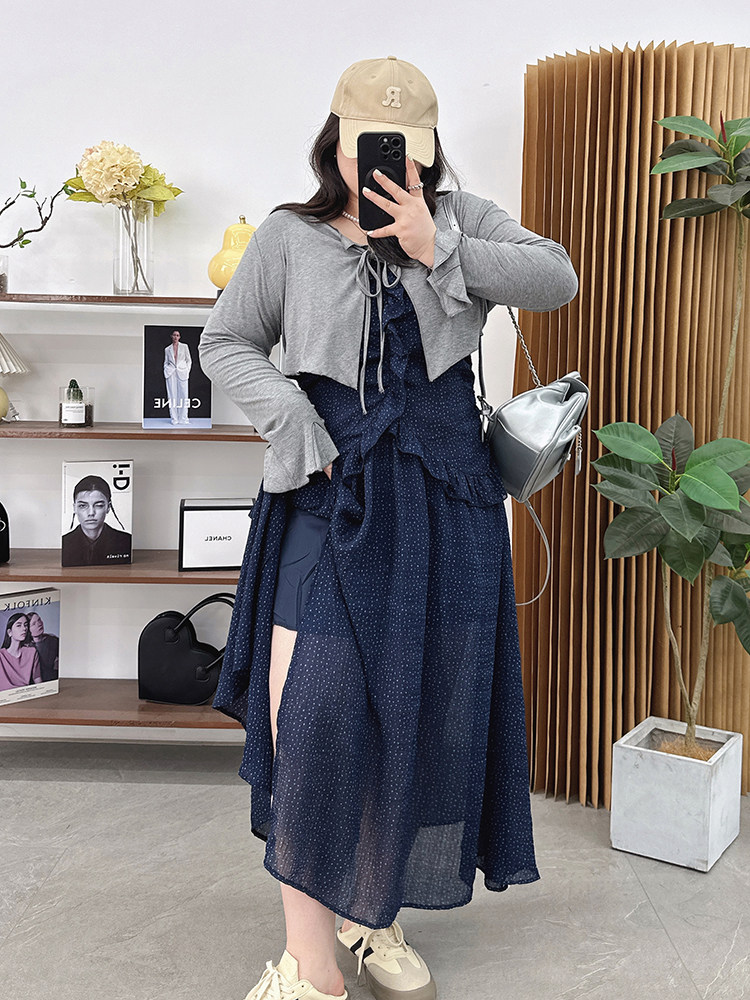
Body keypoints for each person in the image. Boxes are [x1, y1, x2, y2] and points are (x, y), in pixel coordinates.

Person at [199, 55, 578, 1000]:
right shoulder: (288, 237)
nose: (386, 159)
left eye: (407, 145)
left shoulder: (462, 219)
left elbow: (556, 278)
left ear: (430, 146)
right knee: (312, 720)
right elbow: (226, 342)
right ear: (335, 139)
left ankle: (373, 916)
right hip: (331, 498)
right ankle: (309, 966)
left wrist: (436, 245)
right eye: (370, 141)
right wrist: (300, 430)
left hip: (449, 505)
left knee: (419, 714)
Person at [61, 475, 132, 567]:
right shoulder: (65, 543)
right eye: (83, 506)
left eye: (99, 505)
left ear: (108, 507)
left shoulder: (126, 541)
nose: (91, 513)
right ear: (74, 508)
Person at [0, 613, 42, 691]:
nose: (24, 628)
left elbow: (37, 677)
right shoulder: (1, 655)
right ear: (9, 632)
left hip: (25, 693)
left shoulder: (32, 652)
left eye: (26, 625)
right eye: (19, 625)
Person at [163, 329, 192, 425]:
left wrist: (187, 370)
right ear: (171, 336)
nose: (175, 337)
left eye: (177, 335)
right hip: (171, 372)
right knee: (172, 395)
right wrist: (166, 370)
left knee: (183, 395)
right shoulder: (167, 349)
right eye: (174, 335)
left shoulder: (184, 346)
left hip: (182, 372)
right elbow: (166, 362)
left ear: (179, 337)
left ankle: (183, 418)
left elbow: (189, 360)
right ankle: (174, 418)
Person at [27, 611, 59, 682]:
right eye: (34, 624)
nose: (39, 624)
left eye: (39, 620)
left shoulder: (53, 640)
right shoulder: (27, 648)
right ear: (28, 629)